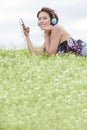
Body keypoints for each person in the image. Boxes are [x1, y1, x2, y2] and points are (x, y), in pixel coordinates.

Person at [21, 7, 87, 56]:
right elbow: (36, 54)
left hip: (84, 50)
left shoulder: (56, 28)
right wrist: (27, 36)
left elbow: (51, 54)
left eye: (45, 18)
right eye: (39, 19)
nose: (41, 21)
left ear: (53, 20)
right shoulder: (49, 34)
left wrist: (46, 35)